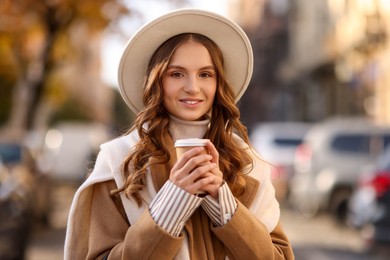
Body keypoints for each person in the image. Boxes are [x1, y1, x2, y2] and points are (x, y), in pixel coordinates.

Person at [64, 8, 294, 259]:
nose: (193, 87)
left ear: (218, 84)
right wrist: (172, 204)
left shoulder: (249, 164)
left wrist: (223, 204)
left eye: (205, 74)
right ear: (156, 81)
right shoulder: (118, 161)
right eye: (176, 74)